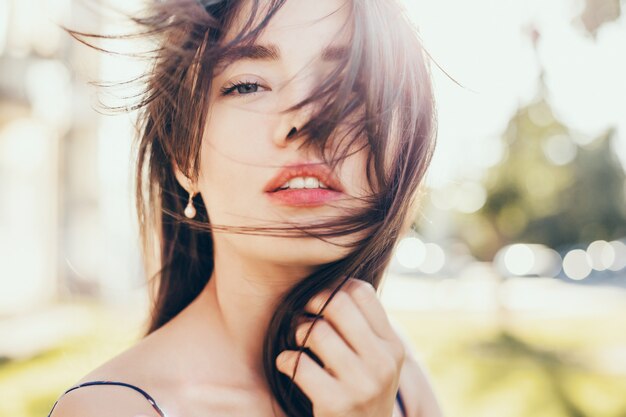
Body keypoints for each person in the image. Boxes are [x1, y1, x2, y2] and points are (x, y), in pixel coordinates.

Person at [48, 0, 442, 416]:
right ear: (185, 156)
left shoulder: (392, 374)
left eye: (353, 85)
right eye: (248, 85)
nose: (305, 118)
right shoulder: (109, 409)